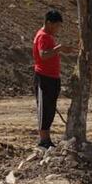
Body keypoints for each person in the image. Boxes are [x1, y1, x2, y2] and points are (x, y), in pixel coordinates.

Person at [33, 9, 70, 149]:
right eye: (57, 26)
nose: (58, 29)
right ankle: (43, 140)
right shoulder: (43, 36)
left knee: (50, 108)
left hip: (53, 77)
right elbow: (43, 55)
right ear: (49, 23)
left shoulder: (49, 36)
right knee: (44, 108)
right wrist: (59, 48)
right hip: (44, 77)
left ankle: (47, 139)